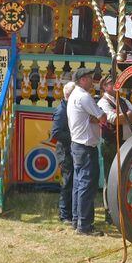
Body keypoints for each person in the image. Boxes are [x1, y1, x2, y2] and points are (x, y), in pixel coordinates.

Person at [66, 67, 105, 236]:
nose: (92, 81)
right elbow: (102, 116)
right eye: (89, 78)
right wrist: (96, 117)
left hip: (77, 145)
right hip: (86, 146)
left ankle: (77, 220)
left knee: (78, 184)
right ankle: (85, 225)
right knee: (87, 185)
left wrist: (93, 118)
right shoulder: (84, 96)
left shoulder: (74, 96)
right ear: (82, 80)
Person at [97, 75, 132, 171]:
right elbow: (114, 120)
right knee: (111, 174)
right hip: (111, 143)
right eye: (112, 83)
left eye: (117, 82)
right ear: (104, 86)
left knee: (124, 172)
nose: (117, 85)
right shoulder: (103, 102)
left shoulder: (124, 100)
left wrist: (125, 116)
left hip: (126, 142)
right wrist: (128, 115)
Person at [51, 80, 77, 225]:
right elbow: (55, 133)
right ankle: (64, 213)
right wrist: (74, 136)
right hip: (65, 151)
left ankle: (70, 212)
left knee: (72, 181)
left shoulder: (69, 108)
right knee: (67, 181)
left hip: (70, 150)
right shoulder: (61, 111)